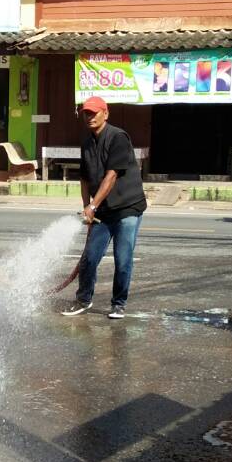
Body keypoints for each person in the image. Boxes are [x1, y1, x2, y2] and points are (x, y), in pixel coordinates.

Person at [62, 96, 147, 320]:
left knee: (122, 258)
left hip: (128, 208)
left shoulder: (118, 138)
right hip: (103, 211)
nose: (89, 117)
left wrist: (92, 205)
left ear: (105, 114)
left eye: (94, 113)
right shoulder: (87, 142)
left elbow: (111, 176)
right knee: (89, 257)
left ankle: (118, 303)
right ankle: (83, 299)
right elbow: (84, 179)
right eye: (86, 114)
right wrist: (86, 209)